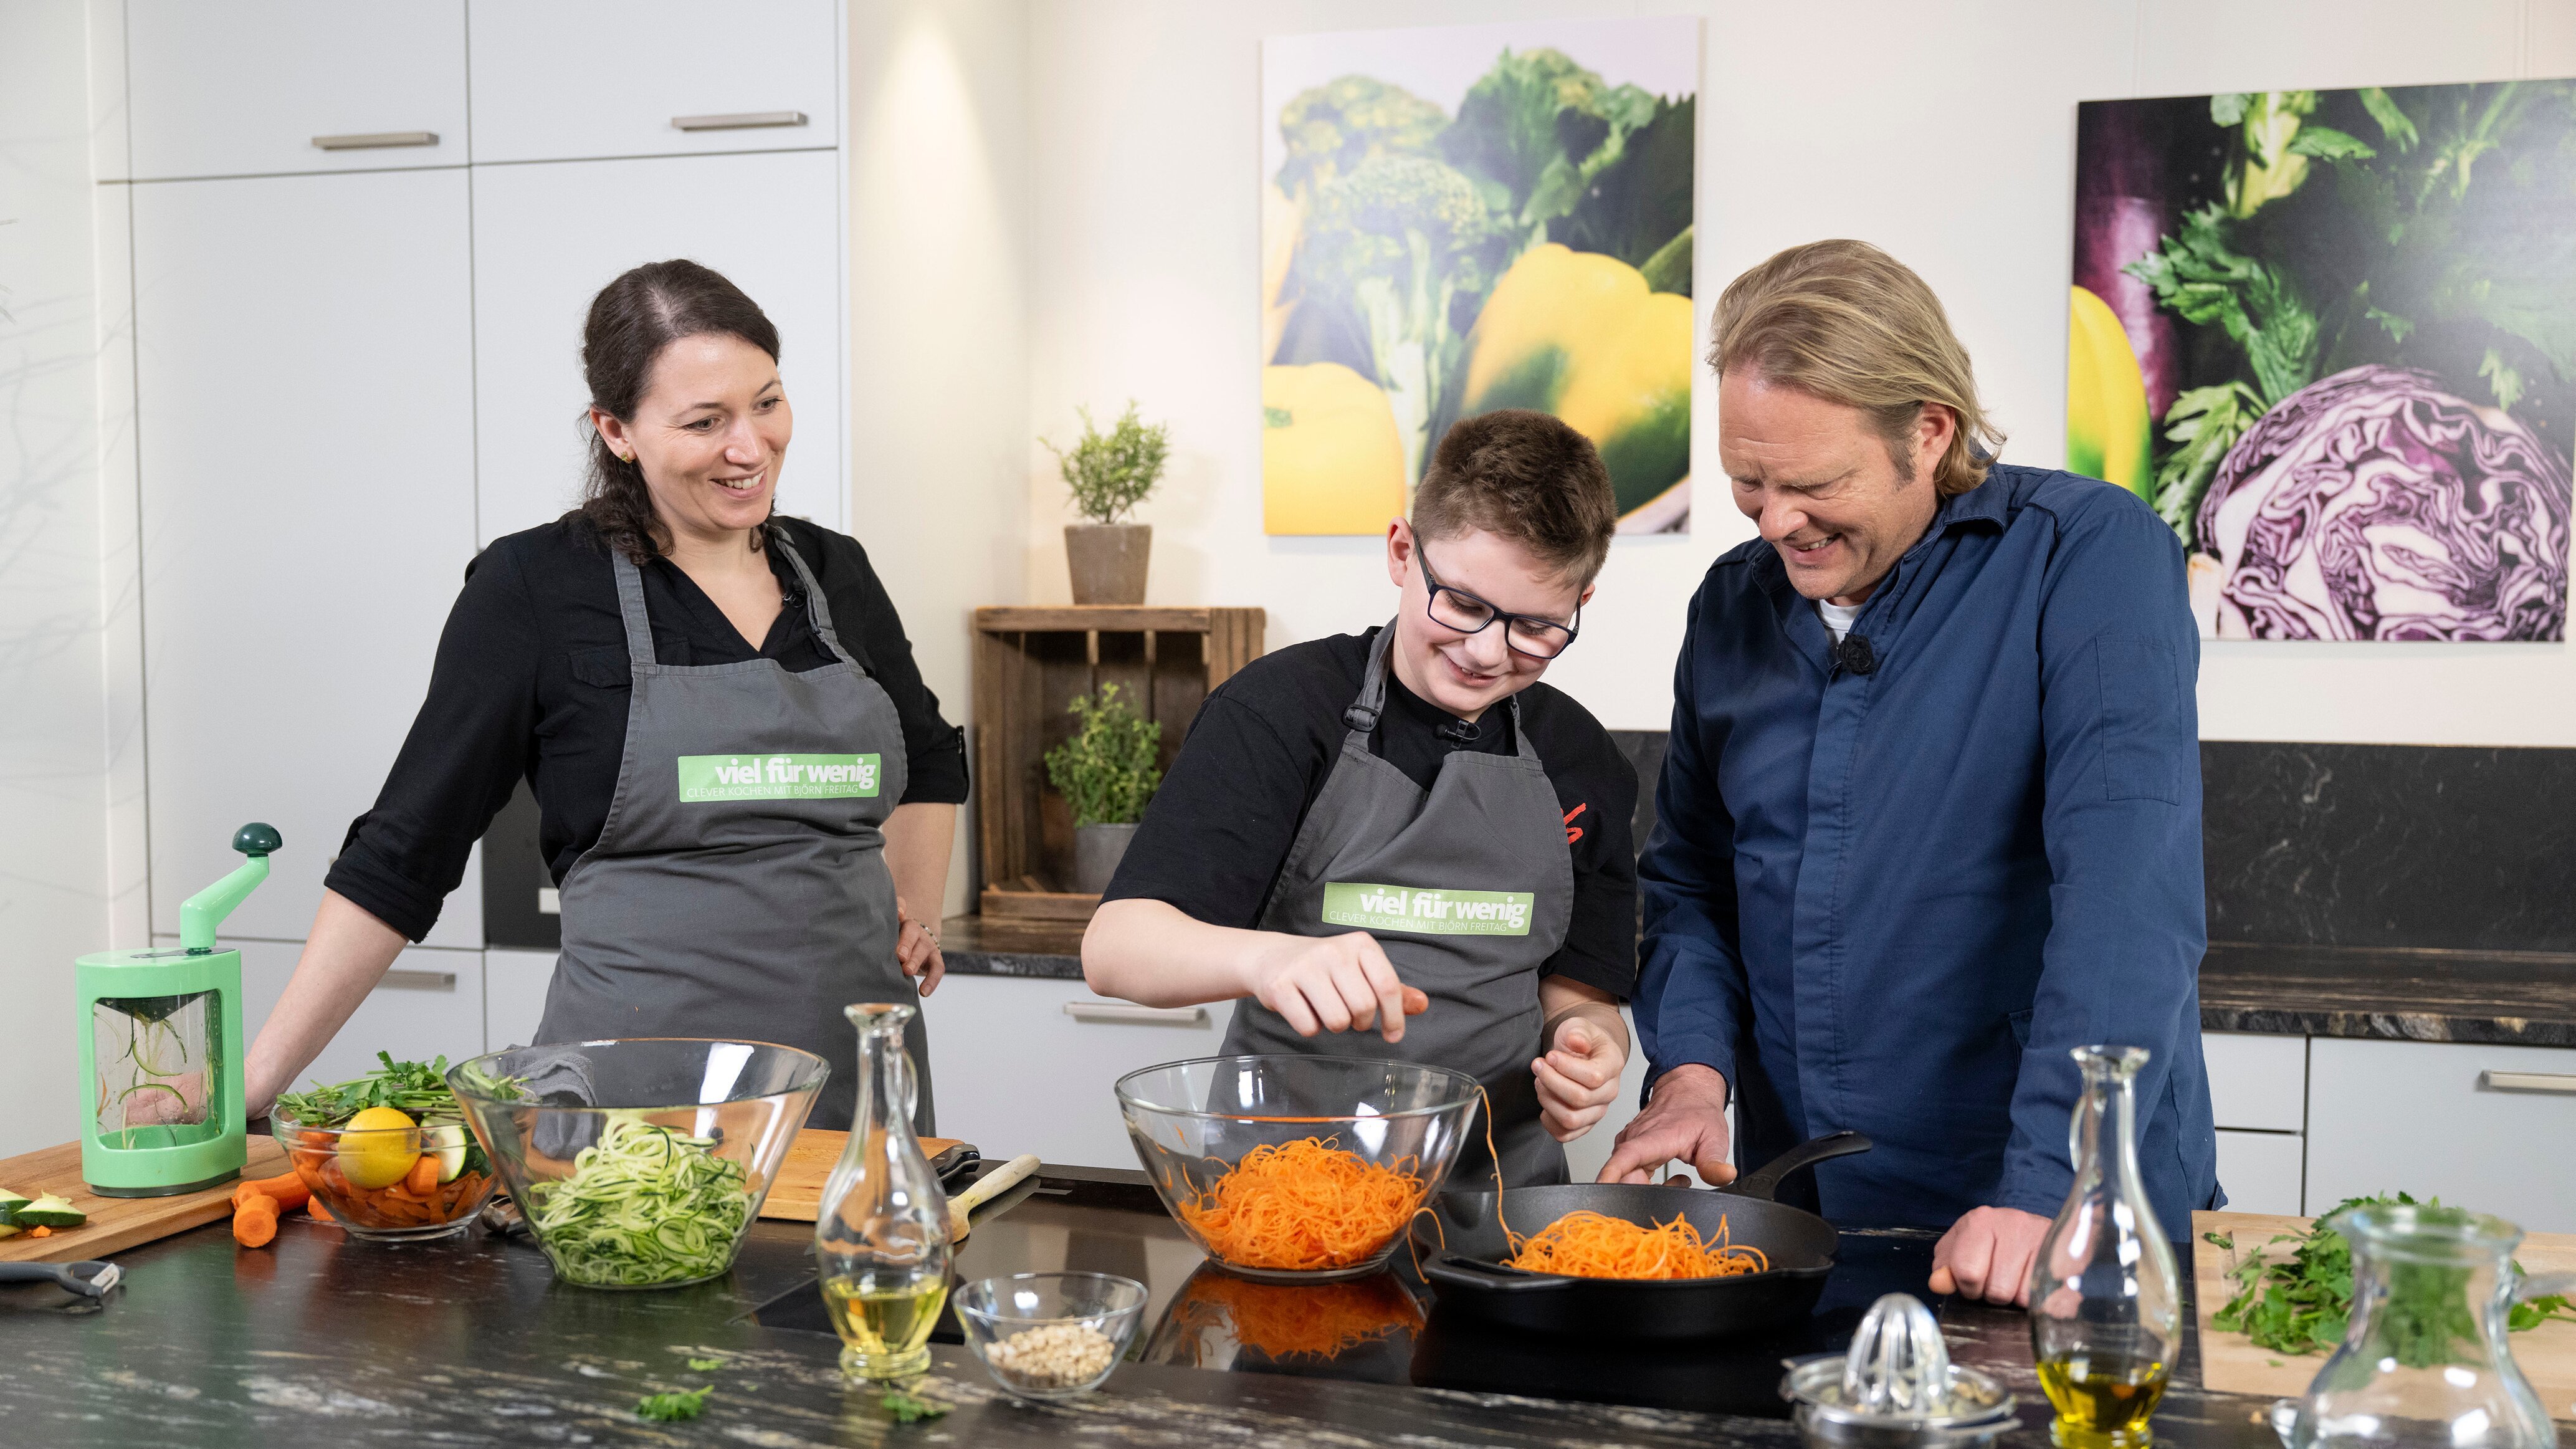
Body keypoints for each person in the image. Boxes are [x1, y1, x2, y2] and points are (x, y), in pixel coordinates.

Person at [1601, 241, 2218, 1302]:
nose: (1775, 522)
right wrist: (1690, 1073)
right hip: (1805, 1215)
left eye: (1813, 484)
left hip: (2045, 1212)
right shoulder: (1731, 606)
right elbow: (1693, 880)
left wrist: (2047, 1185)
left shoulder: (2087, 556)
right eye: (1747, 483)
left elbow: (2126, 895)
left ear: (1928, 432)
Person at [243, 259, 966, 1132]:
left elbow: (929, 757)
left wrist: (918, 912)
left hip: (858, 1094)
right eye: (705, 422)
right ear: (616, 430)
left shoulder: (834, 571)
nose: (750, 448)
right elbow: (405, 851)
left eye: (767, 403)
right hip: (637, 1117)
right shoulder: (536, 587)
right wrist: (254, 1083)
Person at [1083, 409, 1638, 1187]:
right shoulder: (1281, 713)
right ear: (1403, 552)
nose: (1487, 652)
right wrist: (1266, 959)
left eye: (1537, 628)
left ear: (1582, 600)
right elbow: (1115, 948)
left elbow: (1580, 991)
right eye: (1464, 604)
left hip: (1501, 1201)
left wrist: (1592, 1044)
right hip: (1285, 1195)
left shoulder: (1583, 760)